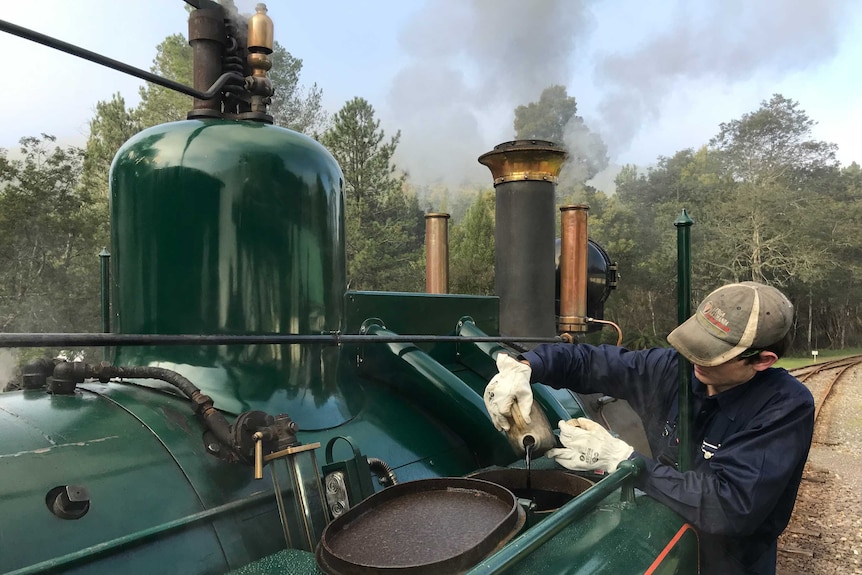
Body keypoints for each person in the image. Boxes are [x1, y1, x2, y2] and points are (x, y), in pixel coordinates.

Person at [484, 281, 815, 575]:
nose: (694, 360)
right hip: (660, 532)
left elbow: (730, 507)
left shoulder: (784, 408)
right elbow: (592, 362)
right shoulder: (676, 370)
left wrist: (625, 460)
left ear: (762, 360)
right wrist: (527, 368)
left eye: (710, 355)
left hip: (730, 561)